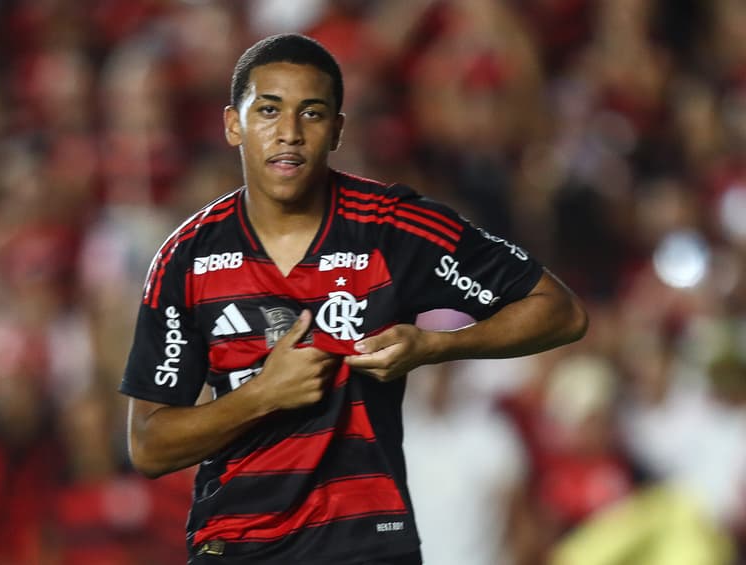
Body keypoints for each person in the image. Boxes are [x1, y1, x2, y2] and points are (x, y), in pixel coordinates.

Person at [120, 33, 588, 565]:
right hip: (236, 547)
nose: (289, 132)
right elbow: (149, 446)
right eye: (268, 110)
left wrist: (435, 346)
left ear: (337, 130)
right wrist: (263, 394)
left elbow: (560, 311)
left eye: (312, 113)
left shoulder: (393, 227)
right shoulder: (187, 257)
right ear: (233, 124)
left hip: (365, 545)